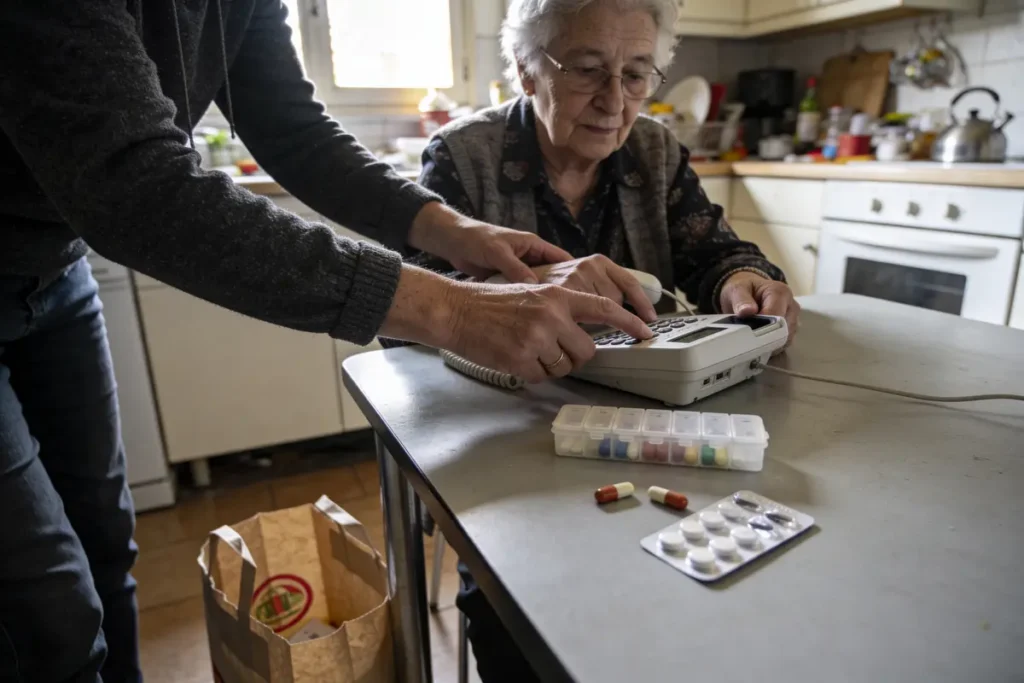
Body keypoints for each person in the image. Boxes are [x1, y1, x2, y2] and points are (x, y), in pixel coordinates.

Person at [0, 2, 655, 681]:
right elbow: (133, 187)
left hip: (55, 267)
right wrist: (454, 311)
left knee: (103, 540)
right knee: (44, 607)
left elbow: (294, 131)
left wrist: (455, 231)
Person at [410, 0, 802, 680]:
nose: (615, 100)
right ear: (527, 73)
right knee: (519, 624)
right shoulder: (461, 158)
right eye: (589, 69)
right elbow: (423, 312)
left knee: (694, 603)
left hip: (654, 441)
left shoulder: (654, 152)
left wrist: (745, 279)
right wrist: (537, 285)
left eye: (637, 73)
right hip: (513, 449)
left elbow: (709, 251)